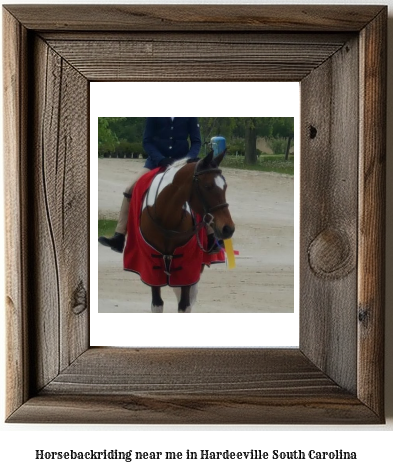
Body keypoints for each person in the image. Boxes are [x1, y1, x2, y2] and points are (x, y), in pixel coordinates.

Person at [99, 117, 220, 253]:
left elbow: (196, 142)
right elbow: (147, 142)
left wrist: (187, 160)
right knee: (130, 189)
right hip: (156, 162)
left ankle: (211, 237)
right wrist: (160, 159)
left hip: (183, 164)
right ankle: (119, 235)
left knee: (202, 188)